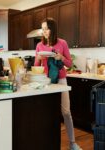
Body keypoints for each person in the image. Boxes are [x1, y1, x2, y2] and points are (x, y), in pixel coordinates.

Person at [34, 18, 82, 150]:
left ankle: (72, 143)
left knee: (66, 112)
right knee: (46, 113)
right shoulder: (39, 46)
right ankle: (46, 142)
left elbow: (69, 64)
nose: (44, 31)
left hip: (61, 80)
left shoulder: (62, 43)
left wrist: (61, 57)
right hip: (45, 82)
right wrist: (38, 58)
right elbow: (35, 66)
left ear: (52, 29)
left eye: (46, 29)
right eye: (42, 29)